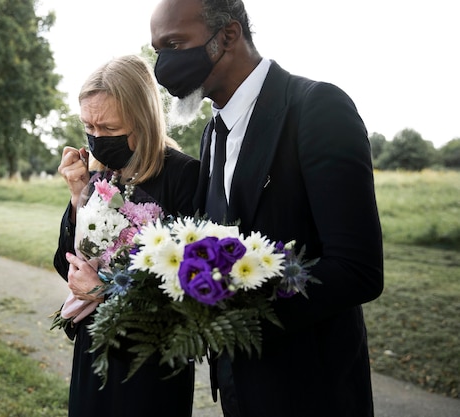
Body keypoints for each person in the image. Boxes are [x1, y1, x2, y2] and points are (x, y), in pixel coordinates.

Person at [150, 1, 384, 416]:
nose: (163, 64)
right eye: (158, 51)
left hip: (311, 391)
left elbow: (357, 270)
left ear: (228, 36)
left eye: (174, 44)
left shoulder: (315, 108)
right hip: (239, 390)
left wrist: (234, 312)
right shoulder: (212, 134)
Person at [53, 54, 199, 417]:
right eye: (89, 127)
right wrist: (77, 194)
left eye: (108, 128)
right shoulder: (101, 176)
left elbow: (189, 289)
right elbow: (64, 264)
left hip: (151, 360)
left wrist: (106, 291)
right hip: (94, 348)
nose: (96, 139)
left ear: (142, 120)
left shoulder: (185, 176)